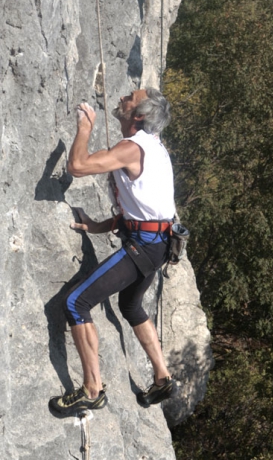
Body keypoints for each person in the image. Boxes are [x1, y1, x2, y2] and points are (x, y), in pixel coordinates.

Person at [49, 88, 177, 418]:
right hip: (158, 242)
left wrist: (85, 127)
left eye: (130, 98)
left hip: (146, 246)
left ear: (139, 116)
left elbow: (77, 166)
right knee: (130, 304)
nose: (123, 97)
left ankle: (92, 390)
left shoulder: (133, 148)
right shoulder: (154, 148)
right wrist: (98, 227)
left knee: (76, 302)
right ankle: (162, 377)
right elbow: (143, 210)